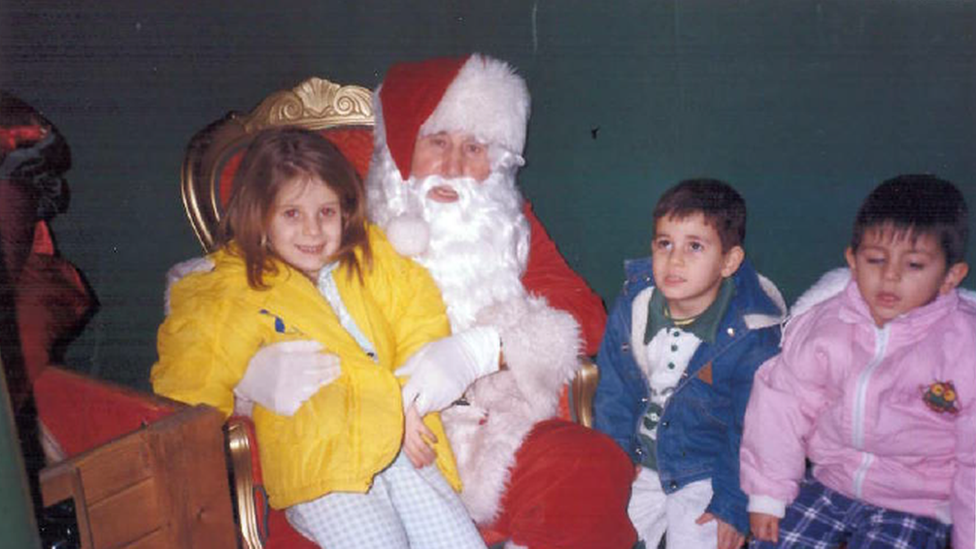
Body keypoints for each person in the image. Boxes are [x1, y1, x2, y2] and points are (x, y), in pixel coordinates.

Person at [151, 127, 486, 549]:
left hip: (400, 439)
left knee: (456, 542)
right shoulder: (231, 287)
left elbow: (417, 319)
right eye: (292, 214)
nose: (312, 230)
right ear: (260, 216)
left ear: (344, 211)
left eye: (325, 212)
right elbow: (190, 378)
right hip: (320, 463)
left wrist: (413, 398)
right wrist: (240, 385)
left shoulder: (370, 256)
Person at [741, 175, 975, 549]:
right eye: (876, 260)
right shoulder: (829, 324)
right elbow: (780, 405)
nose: (890, 276)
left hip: (917, 504)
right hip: (829, 481)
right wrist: (767, 495)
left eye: (914, 265)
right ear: (852, 261)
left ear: (950, 277)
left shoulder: (965, 347)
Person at [592, 179, 786, 549]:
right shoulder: (635, 304)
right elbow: (615, 391)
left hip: (709, 472)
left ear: (729, 261)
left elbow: (752, 430)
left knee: (702, 540)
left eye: (695, 246)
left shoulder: (751, 335)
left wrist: (733, 501)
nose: (674, 260)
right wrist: (614, 461)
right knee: (595, 529)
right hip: (639, 462)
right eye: (665, 244)